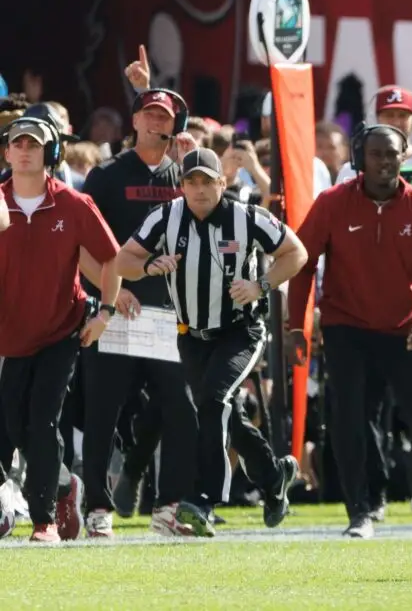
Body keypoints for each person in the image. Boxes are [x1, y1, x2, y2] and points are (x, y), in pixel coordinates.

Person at [115, 148, 307, 537]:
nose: (199, 189)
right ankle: (274, 478)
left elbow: (296, 252)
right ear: (182, 185)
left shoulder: (247, 216)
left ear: (223, 182)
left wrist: (260, 285)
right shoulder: (165, 216)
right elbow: (123, 261)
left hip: (241, 330)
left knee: (214, 401)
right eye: (191, 181)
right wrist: (151, 265)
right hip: (191, 336)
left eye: (207, 181)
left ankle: (204, 498)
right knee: (226, 417)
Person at [287, 124, 412, 539]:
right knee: (349, 419)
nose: (384, 161)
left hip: (404, 328)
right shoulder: (331, 203)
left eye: (392, 154)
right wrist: (297, 325)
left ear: (403, 156)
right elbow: (303, 264)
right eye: (376, 154)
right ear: (360, 158)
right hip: (347, 327)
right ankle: (359, 510)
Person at [80, 88, 202, 538]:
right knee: (103, 412)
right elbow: (84, 247)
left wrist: (197, 167)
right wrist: (114, 291)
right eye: (149, 114)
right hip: (116, 312)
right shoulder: (106, 175)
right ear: (134, 120)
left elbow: (211, 227)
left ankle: (167, 506)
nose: (156, 123)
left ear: (175, 124)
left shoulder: (188, 176)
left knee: (181, 410)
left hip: (169, 316)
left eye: (164, 117)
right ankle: (97, 508)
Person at [0, 117, 121, 543]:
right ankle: (67, 485)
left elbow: (111, 260)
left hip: (61, 330)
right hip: (9, 337)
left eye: (35, 144)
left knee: (42, 422)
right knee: (12, 426)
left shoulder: (73, 203)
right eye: (19, 144)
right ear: (7, 152)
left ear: (51, 153)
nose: (26, 151)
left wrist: (104, 313)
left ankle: (43, 520)